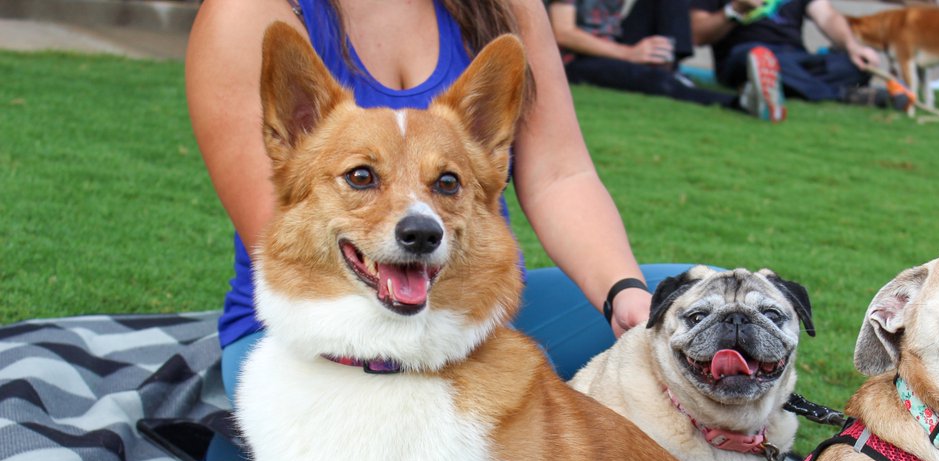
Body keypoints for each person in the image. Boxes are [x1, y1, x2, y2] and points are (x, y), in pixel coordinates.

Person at [186, 0, 683, 397]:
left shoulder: (505, 6)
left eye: (445, 183)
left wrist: (624, 293)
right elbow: (286, 237)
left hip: (464, 312)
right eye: (361, 175)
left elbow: (560, 173)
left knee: (689, 313)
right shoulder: (247, 11)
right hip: (317, 338)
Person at [546, 0, 764, 114]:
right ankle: (740, 103)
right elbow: (563, 34)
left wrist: (734, 8)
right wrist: (629, 53)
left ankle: (669, 65)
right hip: (574, 60)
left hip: (613, 43)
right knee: (650, 79)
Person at [688, 0, 887, 121]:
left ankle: (775, 83)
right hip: (745, 54)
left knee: (857, 66)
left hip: (795, 59)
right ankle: (840, 94)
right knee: (759, 58)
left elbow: (828, 16)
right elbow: (697, 34)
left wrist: (852, 46)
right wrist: (734, 10)